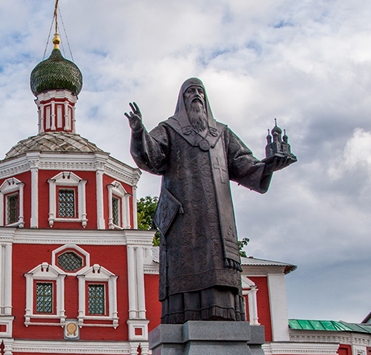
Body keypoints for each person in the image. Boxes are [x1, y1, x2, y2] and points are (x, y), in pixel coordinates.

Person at [126, 78, 295, 324]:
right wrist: (139, 130)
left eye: (200, 91)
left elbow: (244, 164)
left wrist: (268, 166)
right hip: (184, 216)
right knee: (185, 262)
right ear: (182, 100)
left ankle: (224, 315)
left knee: (219, 262)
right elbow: (151, 157)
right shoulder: (171, 128)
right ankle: (186, 314)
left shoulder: (222, 133)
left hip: (218, 216)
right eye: (190, 92)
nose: (196, 96)